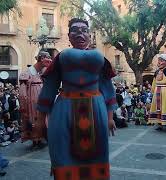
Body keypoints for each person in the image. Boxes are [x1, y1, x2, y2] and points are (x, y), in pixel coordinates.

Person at [36, 18, 117, 179]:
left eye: (84, 30)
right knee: (62, 149)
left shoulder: (99, 59)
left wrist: (110, 118)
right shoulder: (60, 58)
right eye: (75, 30)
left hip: (96, 110)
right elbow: (49, 89)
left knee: (98, 152)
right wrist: (40, 121)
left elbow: (108, 90)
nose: (80, 33)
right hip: (64, 111)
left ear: (90, 35)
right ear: (69, 36)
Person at [19, 51, 51, 149]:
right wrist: (23, 107)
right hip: (32, 104)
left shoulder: (41, 74)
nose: (50, 60)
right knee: (34, 120)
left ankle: (40, 139)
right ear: (41, 59)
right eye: (48, 58)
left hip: (41, 103)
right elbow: (22, 94)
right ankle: (35, 140)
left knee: (42, 120)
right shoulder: (27, 73)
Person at [148, 54, 166, 131]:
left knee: (165, 107)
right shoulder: (156, 71)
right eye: (159, 60)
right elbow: (154, 82)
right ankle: (159, 123)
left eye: (162, 60)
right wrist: (152, 91)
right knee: (157, 108)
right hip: (157, 91)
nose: (160, 62)